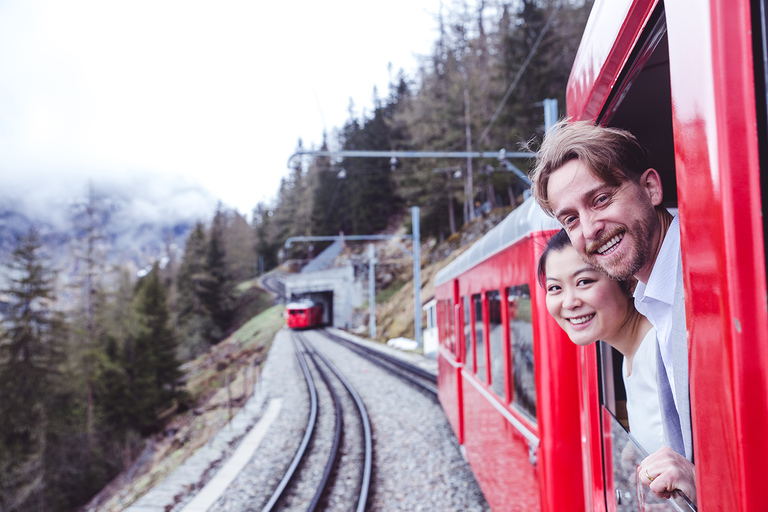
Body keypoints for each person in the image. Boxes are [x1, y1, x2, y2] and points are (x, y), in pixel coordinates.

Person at [531, 120, 696, 504]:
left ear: (651, 188)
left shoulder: (703, 279)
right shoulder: (656, 300)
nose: (589, 229)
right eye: (570, 218)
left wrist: (703, 481)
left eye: (601, 199)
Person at [539, 229, 665, 453]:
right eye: (555, 288)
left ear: (628, 283)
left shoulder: (663, 352)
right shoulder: (629, 355)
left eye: (584, 281)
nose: (569, 303)